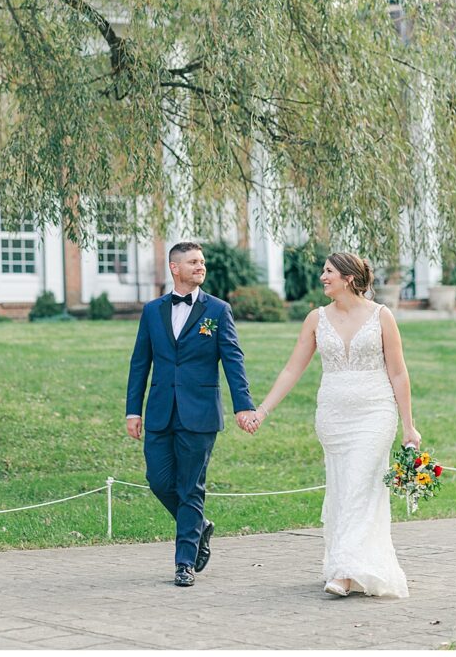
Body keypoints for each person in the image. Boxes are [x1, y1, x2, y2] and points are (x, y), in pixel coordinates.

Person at [248, 252, 416, 598]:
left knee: (360, 486)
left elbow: (398, 373)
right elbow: (292, 369)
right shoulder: (315, 318)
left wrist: (408, 427)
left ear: (349, 278)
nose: (322, 277)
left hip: (375, 413)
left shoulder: (382, 317)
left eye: (328, 272)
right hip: (333, 416)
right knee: (343, 490)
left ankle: (347, 572)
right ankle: (349, 565)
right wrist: (262, 410)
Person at [125, 241, 258, 587]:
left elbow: (233, 359)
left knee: (190, 488)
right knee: (158, 480)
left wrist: (243, 404)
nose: (201, 267)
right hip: (159, 411)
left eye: (202, 262)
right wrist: (132, 411)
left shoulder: (218, 311)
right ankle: (199, 526)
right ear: (175, 268)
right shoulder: (153, 311)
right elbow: (140, 362)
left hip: (200, 414)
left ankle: (184, 562)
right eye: (193, 262)